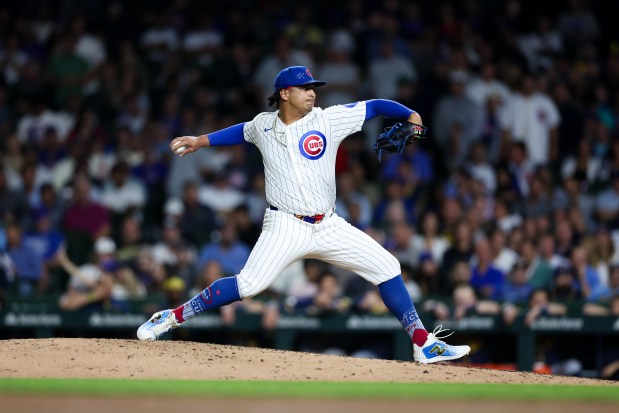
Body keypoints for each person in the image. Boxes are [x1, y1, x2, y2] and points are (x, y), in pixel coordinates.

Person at [138, 65, 470, 364]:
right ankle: (170, 317)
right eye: (305, 87)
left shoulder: (328, 119)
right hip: (284, 225)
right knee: (249, 284)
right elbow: (241, 130)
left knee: (387, 267)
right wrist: (201, 140)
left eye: (314, 87)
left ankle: (423, 342)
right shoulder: (263, 125)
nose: (313, 92)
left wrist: (410, 113)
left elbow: (376, 107)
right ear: (285, 93)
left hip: (327, 224)